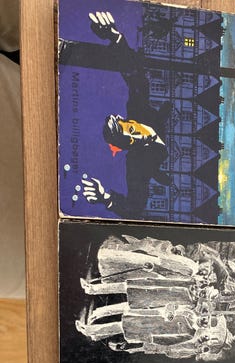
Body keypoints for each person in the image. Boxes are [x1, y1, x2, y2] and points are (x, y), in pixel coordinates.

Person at [79, 11, 173, 217]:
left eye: (130, 128)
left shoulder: (139, 109)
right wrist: (107, 199)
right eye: (129, 140)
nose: (135, 136)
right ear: (127, 146)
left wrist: (114, 37)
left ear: (127, 120)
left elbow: (134, 72)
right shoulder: (136, 165)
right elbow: (135, 207)